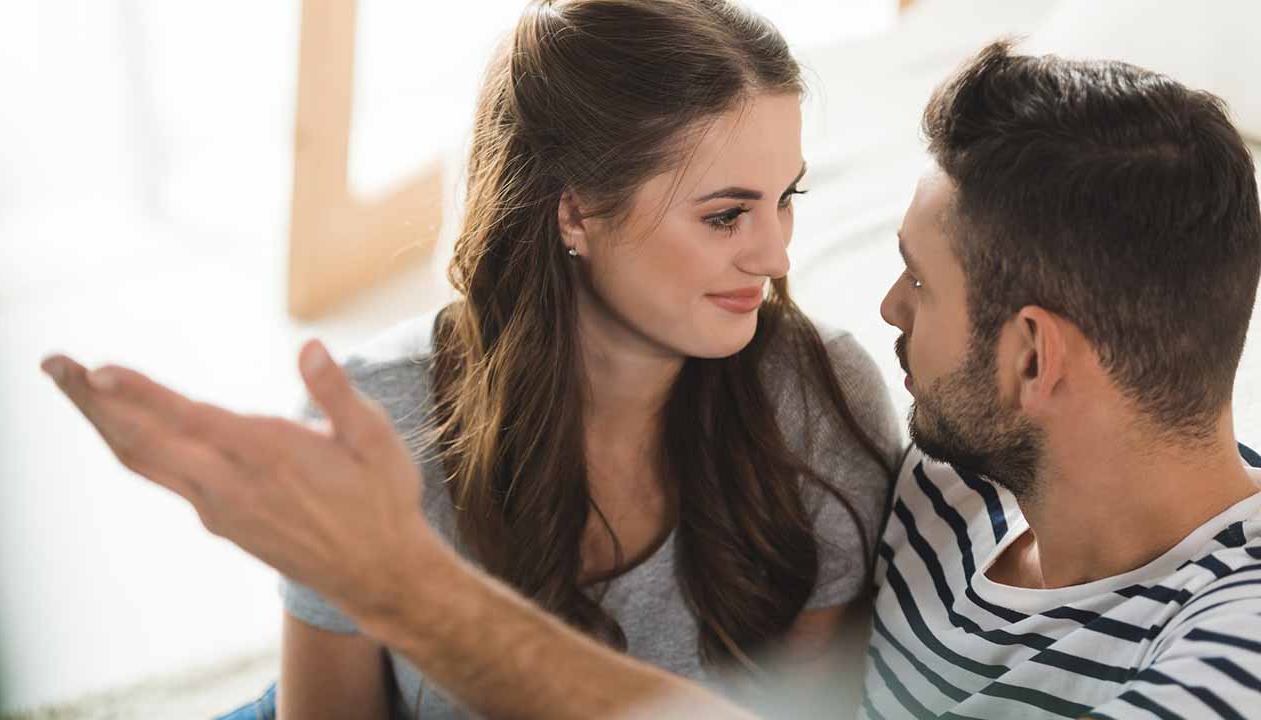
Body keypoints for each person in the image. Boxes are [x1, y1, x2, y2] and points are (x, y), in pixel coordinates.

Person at [42, 35, 1261, 720]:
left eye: (917, 289)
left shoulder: (1224, 665)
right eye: (733, 210)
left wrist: (401, 584)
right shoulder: (948, 489)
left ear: (1033, 355)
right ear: (572, 215)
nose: (812, 275)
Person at [52, 1, 900, 718]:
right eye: (726, 216)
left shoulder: (822, 402)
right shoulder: (385, 417)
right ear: (575, 215)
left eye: (787, 200)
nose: (779, 257)